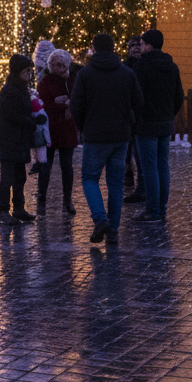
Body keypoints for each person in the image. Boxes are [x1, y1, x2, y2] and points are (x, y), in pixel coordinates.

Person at [71, 32, 143, 245]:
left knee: (89, 178)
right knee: (116, 183)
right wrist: (129, 121)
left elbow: (76, 105)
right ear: (113, 48)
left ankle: (100, 218)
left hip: (95, 135)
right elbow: (139, 102)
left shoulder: (85, 74)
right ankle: (113, 228)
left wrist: (83, 127)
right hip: (121, 135)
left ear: (94, 48)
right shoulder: (127, 73)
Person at [131, 29, 184, 222]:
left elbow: (135, 97)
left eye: (142, 44)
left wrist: (137, 118)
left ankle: (152, 209)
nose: (140, 47)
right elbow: (179, 96)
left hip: (146, 124)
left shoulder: (141, 67)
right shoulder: (172, 66)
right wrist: (169, 114)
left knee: (149, 167)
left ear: (149, 45)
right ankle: (161, 208)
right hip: (165, 123)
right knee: (162, 165)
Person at [0, 54, 37, 226]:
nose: (29, 74)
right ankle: (3, 211)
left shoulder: (22, 88)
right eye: (27, 71)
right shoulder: (10, 90)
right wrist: (30, 122)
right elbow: (11, 114)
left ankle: (19, 208)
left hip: (20, 139)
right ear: (18, 71)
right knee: (7, 178)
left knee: (20, 177)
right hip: (9, 139)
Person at [36, 48, 79, 214]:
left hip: (66, 128)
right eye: (57, 65)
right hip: (50, 128)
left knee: (67, 166)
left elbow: (77, 98)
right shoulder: (45, 82)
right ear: (51, 65)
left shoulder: (71, 81)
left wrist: (68, 103)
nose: (60, 68)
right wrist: (60, 105)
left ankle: (67, 200)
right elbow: (42, 104)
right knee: (45, 166)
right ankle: (41, 198)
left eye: (63, 65)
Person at [121, 37, 146, 204]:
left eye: (139, 45)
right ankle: (128, 175)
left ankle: (142, 187)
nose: (136, 48)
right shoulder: (125, 67)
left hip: (141, 116)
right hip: (126, 115)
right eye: (133, 46)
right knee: (126, 150)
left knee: (140, 154)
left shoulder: (145, 66)